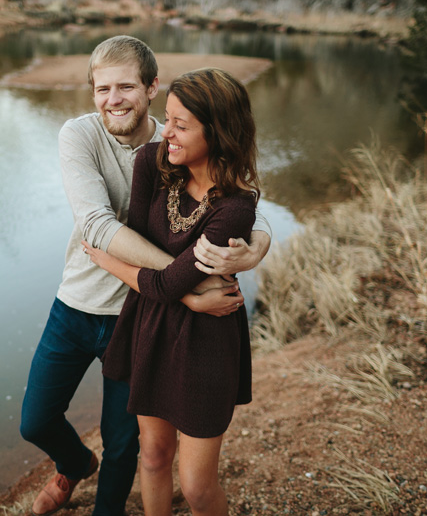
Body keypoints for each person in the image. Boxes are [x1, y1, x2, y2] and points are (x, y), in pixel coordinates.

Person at [19, 36, 271, 516]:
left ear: (152, 87)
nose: (113, 99)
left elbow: (240, 202)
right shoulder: (83, 135)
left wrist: (259, 243)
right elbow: (96, 226)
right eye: (101, 88)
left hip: (138, 316)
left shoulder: (174, 143)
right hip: (78, 302)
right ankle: (73, 464)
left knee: (127, 446)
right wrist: (190, 285)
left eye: (125, 86)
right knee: (35, 421)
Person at [83, 67, 260, 516]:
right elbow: (143, 248)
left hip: (206, 341)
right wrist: (179, 288)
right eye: (169, 119)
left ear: (217, 133)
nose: (169, 134)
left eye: (181, 125)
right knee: (154, 455)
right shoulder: (152, 163)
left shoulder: (235, 208)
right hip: (150, 326)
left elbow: (162, 280)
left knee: (198, 487)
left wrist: (105, 259)